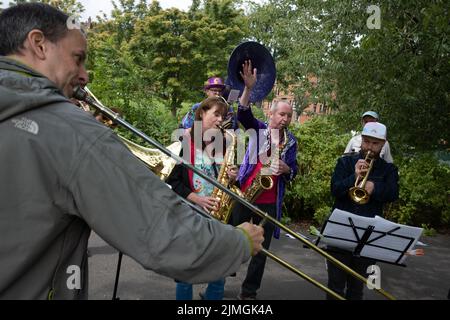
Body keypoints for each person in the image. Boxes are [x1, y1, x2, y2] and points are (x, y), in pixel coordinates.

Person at [0, 3, 264, 299]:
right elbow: (157, 231)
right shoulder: (69, 129)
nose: (85, 75)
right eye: (78, 59)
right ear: (38, 44)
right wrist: (238, 242)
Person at [231, 60, 298, 300]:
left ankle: (249, 293)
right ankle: (215, 284)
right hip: (247, 195)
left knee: (260, 252)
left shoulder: (291, 142)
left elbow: (294, 171)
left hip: (269, 202)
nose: (285, 119)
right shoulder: (258, 130)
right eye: (281, 114)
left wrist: (287, 168)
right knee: (230, 241)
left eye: (289, 116)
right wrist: (248, 88)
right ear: (271, 113)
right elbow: (243, 114)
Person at [166, 96, 238, 300]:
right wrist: (196, 199)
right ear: (202, 113)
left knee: (219, 273)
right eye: (216, 114)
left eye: (222, 116)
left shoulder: (221, 143)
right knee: (185, 271)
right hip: (189, 214)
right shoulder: (183, 142)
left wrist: (232, 176)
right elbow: (174, 181)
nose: (220, 119)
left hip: (217, 215)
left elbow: (224, 178)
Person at [327, 121, 399, 300]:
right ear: (361, 140)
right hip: (340, 233)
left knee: (356, 288)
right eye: (366, 141)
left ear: (383, 144)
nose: (370, 147)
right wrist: (354, 176)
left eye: (375, 143)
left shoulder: (388, 169)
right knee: (334, 287)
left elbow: (393, 194)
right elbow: (335, 190)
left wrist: (375, 187)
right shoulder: (345, 162)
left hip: (368, 235)